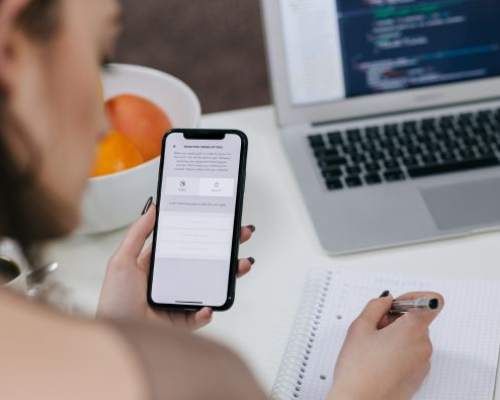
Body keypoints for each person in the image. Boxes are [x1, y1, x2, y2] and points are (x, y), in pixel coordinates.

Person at [0, 0, 444, 399]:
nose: (104, 123)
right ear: (10, 40)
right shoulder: (190, 381)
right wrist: (367, 391)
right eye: (100, 59)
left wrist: (121, 330)